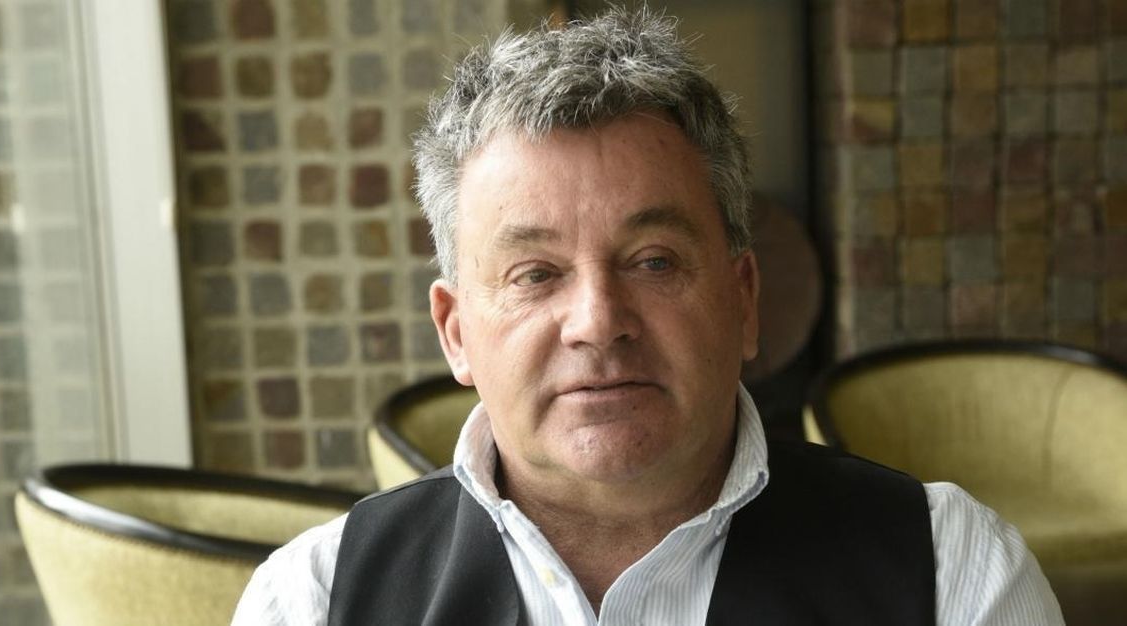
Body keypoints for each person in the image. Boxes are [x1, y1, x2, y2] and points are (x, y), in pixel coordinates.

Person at [233, 7, 1064, 625]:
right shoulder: (311, 601)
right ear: (456, 332)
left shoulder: (952, 575)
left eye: (654, 261)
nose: (598, 321)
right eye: (535, 274)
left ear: (744, 299)